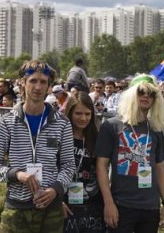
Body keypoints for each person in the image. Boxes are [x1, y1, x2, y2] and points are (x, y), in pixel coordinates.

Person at [0, 60, 76, 233]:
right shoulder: (7, 122)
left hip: (51, 209)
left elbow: (68, 165)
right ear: (22, 83)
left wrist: (56, 189)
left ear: (49, 87)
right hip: (16, 209)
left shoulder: (62, 123)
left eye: (43, 82)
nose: (38, 87)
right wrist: (17, 174)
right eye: (33, 80)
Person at [95, 74, 164, 232]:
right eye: (142, 91)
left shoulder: (156, 129)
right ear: (131, 95)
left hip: (150, 208)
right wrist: (108, 203)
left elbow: (159, 168)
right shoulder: (111, 126)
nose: (146, 96)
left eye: (152, 93)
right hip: (121, 205)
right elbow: (101, 166)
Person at [62, 92, 106, 233]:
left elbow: (101, 170)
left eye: (87, 114)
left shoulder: (97, 137)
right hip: (66, 206)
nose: (83, 118)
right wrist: (57, 201)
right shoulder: (60, 136)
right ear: (70, 113)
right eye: (78, 113)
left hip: (93, 207)